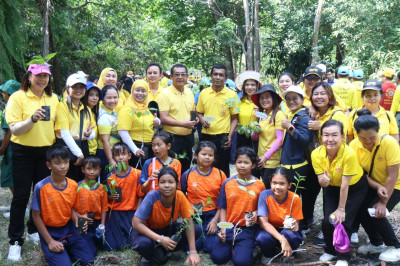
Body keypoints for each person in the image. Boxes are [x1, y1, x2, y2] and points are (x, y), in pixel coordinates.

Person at [6, 63, 59, 261]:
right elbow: (15, 129)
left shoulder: (54, 99)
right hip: (22, 152)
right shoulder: (17, 97)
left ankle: (32, 229)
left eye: (46, 76)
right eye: (38, 75)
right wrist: (32, 119)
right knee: (20, 196)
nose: (42, 79)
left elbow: (57, 127)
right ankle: (15, 241)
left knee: (41, 195)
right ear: (29, 77)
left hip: (46, 152)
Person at [312, 120, 368, 265]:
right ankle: (330, 250)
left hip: (354, 188)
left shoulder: (349, 154)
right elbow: (321, 180)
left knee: (343, 221)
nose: (330, 139)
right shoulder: (316, 154)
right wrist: (323, 181)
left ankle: (343, 257)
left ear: (343, 136)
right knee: (327, 221)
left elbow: (345, 185)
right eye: (326, 135)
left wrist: (341, 209)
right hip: (332, 187)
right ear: (321, 136)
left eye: (334, 135)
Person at [349, 111, 400, 263]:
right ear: (356, 134)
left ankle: (395, 246)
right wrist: (377, 186)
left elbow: (393, 175)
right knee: (361, 210)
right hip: (373, 184)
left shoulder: (389, 143)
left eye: (372, 138)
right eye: (363, 138)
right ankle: (377, 243)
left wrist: (383, 202)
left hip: (395, 185)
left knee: (376, 211)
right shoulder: (353, 146)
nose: (368, 142)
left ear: (378, 131)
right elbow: (361, 174)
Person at [31, 145, 94, 265]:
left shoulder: (73, 185)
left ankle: (65, 249)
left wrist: (77, 221)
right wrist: (50, 241)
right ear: (49, 165)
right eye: (57, 163)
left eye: (66, 162)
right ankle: (44, 245)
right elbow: (36, 216)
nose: (63, 166)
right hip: (50, 231)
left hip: (68, 228)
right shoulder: (41, 187)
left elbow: (71, 208)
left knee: (89, 260)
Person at [131, 167, 201, 266]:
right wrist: (160, 239)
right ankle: (149, 255)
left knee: (196, 230)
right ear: (158, 185)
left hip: (167, 229)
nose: (167, 185)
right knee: (143, 244)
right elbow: (135, 223)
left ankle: (164, 250)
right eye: (163, 182)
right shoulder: (152, 197)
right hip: (147, 231)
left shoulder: (180, 196)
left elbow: (188, 222)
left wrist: (193, 252)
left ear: (177, 185)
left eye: (171, 182)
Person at [211, 147, 265, 265]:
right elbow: (223, 207)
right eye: (239, 162)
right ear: (235, 163)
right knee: (218, 257)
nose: (242, 165)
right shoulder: (228, 183)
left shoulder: (259, 185)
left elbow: (263, 209)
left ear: (253, 165)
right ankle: (237, 248)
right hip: (229, 225)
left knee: (241, 262)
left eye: (246, 162)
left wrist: (255, 213)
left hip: (247, 228)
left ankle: (250, 248)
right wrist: (223, 229)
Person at [280, 85, 319, 235]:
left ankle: (302, 227)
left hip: (298, 165)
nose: (291, 101)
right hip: (291, 164)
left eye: (295, 98)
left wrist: (290, 127)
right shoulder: (294, 114)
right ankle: (301, 224)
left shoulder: (303, 118)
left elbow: (303, 140)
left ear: (302, 100)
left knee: (297, 198)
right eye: (288, 99)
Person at [180, 141, 227, 252]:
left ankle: (201, 238)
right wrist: (190, 205)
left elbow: (224, 201)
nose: (207, 157)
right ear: (196, 156)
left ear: (214, 158)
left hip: (213, 214)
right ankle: (199, 237)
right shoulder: (187, 174)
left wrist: (215, 220)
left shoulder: (220, 174)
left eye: (210, 155)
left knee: (209, 247)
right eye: (204, 154)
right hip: (194, 215)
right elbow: (181, 195)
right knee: (195, 230)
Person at [197, 64, 239, 177]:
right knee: (205, 167)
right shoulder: (204, 93)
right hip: (206, 136)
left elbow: (235, 119)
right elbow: (199, 112)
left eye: (221, 75)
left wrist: (230, 137)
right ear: (211, 76)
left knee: (223, 168)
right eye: (215, 74)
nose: (218, 77)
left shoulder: (232, 94)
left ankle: (223, 192)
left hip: (222, 137)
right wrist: (201, 120)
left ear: (225, 78)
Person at [256, 167, 303, 264]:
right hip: (270, 230)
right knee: (262, 238)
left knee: (289, 234)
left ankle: (290, 253)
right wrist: (282, 239)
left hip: (286, 230)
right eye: (274, 183)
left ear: (289, 185)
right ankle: (269, 254)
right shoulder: (264, 195)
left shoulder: (295, 198)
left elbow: (296, 223)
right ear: (270, 183)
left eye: (282, 183)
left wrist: (295, 225)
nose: (277, 187)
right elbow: (263, 223)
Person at [55, 72, 96, 182]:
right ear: (68, 88)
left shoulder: (86, 109)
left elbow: (93, 130)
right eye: (75, 87)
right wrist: (79, 154)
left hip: (83, 146)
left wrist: (89, 134)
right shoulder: (62, 107)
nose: (78, 90)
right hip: (68, 148)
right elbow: (64, 133)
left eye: (81, 87)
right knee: (68, 182)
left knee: (83, 182)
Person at [158, 64, 197, 173]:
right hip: (172, 139)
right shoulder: (165, 94)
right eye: (177, 74)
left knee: (185, 169)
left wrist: (195, 120)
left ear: (187, 76)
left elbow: (191, 113)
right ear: (171, 76)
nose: (180, 77)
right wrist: (182, 124)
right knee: (171, 171)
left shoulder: (189, 92)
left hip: (188, 138)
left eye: (183, 74)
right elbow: (163, 118)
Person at [104, 143, 143, 250]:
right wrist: (111, 196)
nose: (120, 157)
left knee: (133, 242)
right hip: (116, 213)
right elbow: (106, 197)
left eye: (123, 154)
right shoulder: (110, 176)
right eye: (117, 155)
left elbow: (141, 195)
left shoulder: (137, 173)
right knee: (121, 245)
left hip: (132, 212)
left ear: (129, 156)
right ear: (113, 158)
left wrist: (138, 212)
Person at [118, 80, 161, 169]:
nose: (140, 93)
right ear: (132, 91)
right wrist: (135, 149)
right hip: (135, 148)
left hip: (151, 147)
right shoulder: (127, 110)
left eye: (143, 91)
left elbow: (157, 124)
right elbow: (123, 132)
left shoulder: (149, 107)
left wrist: (158, 122)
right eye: (137, 90)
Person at [251, 84, 285, 187]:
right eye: (261, 98)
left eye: (267, 97)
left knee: (268, 192)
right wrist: (255, 132)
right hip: (261, 160)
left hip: (272, 162)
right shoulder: (263, 116)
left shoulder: (279, 114)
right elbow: (255, 137)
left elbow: (280, 140)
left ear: (274, 98)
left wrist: (266, 157)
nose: (264, 100)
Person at [73, 156, 108, 257]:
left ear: (99, 170)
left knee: (109, 246)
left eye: (95, 169)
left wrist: (102, 225)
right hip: (82, 222)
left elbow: (104, 208)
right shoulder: (77, 187)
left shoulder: (102, 188)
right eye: (89, 169)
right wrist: (80, 216)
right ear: (83, 170)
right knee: (91, 252)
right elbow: (72, 209)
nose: (92, 172)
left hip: (96, 222)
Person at [0, 80, 20, 196]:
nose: (3, 95)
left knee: (11, 176)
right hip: (12, 145)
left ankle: (18, 203)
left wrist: (3, 147)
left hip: (11, 147)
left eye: (4, 93)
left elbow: (10, 131)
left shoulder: (11, 107)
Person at [97, 85, 120, 183]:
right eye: (109, 98)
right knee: (106, 181)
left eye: (115, 97)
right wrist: (110, 160)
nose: (112, 101)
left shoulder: (113, 112)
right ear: (102, 99)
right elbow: (105, 140)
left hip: (113, 151)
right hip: (106, 153)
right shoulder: (104, 117)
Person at [234, 70, 261, 151]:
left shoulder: (261, 102)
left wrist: (260, 111)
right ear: (244, 87)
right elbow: (235, 119)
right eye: (247, 85)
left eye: (253, 85)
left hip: (257, 137)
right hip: (241, 136)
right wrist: (239, 128)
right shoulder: (239, 102)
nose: (250, 87)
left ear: (257, 86)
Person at [84, 81, 102, 156]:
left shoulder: (94, 113)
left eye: (97, 95)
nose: (95, 98)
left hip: (93, 151)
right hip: (86, 151)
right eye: (91, 95)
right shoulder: (83, 112)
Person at [390, 72, 400, 137]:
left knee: (397, 135)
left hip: (399, 114)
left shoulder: (399, 88)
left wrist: (391, 116)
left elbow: (395, 103)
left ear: (398, 79)